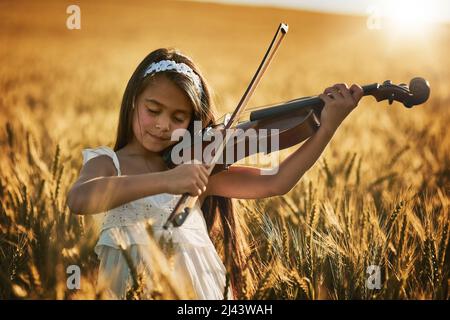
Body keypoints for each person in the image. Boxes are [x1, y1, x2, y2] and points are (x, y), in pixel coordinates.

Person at [67, 47, 363, 299]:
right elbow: (79, 199)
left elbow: (277, 181)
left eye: (178, 117)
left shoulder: (198, 168)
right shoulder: (108, 163)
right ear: (133, 102)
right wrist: (167, 181)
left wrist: (327, 127)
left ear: (193, 120)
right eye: (153, 110)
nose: (162, 125)